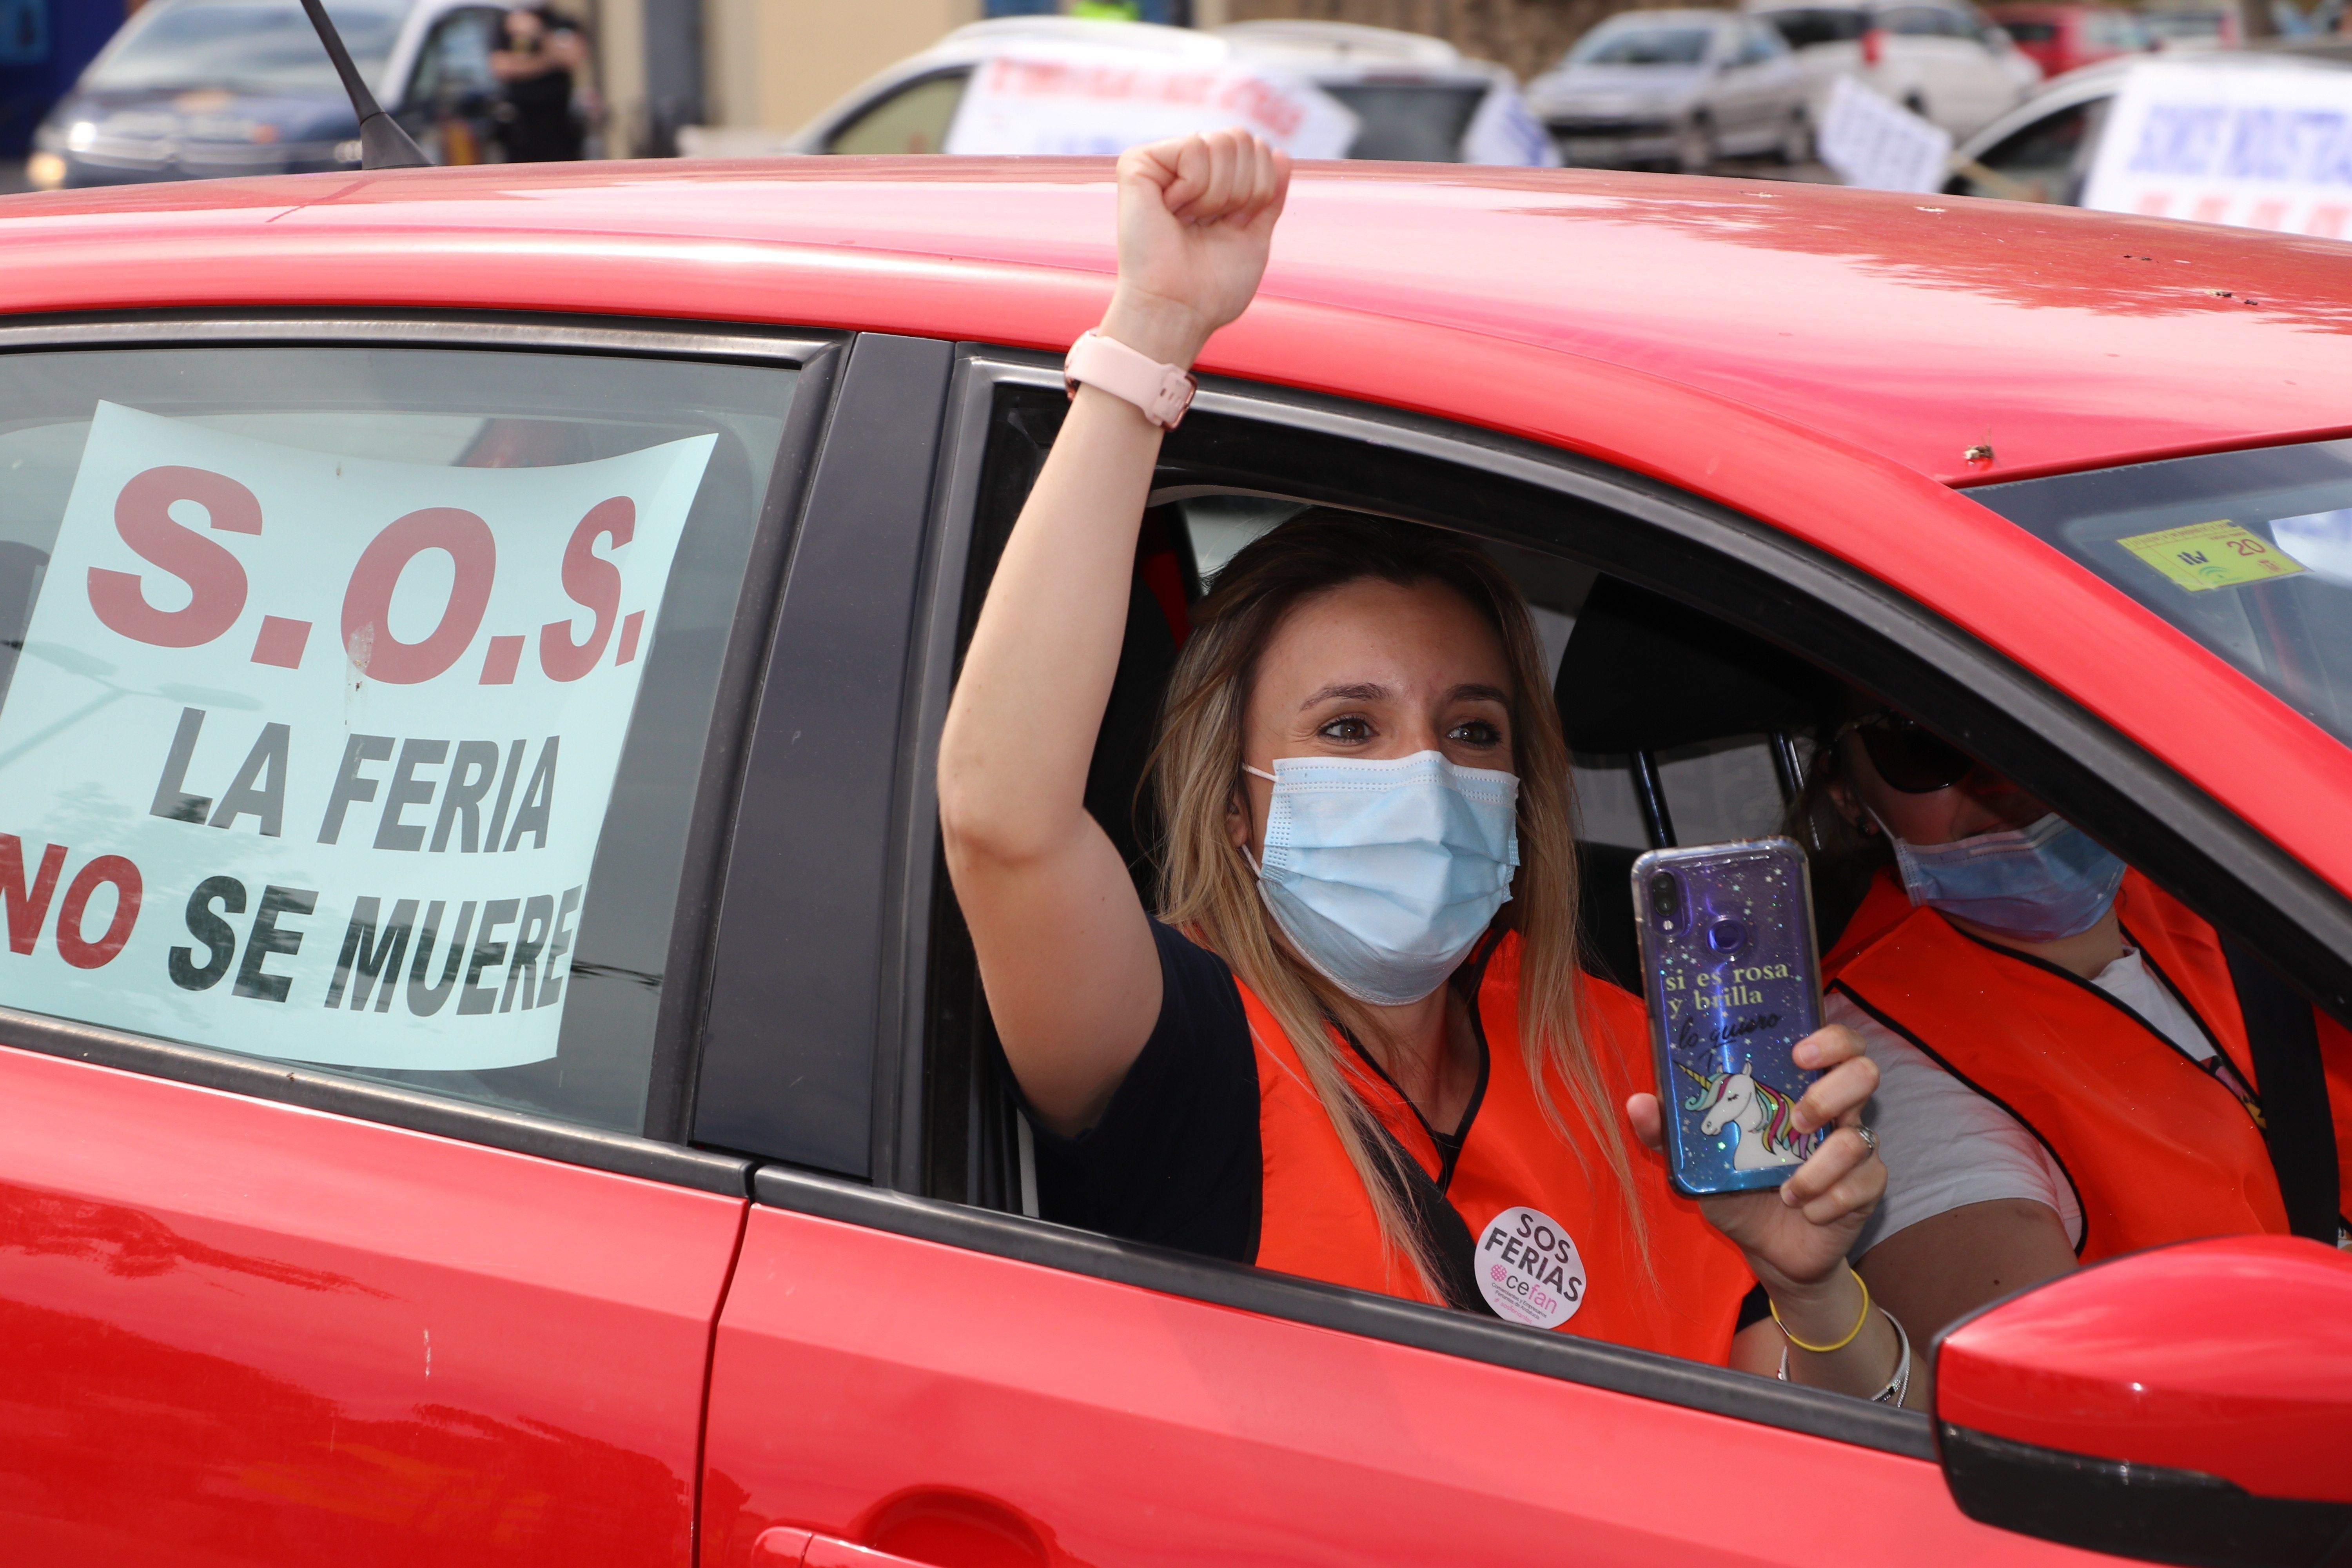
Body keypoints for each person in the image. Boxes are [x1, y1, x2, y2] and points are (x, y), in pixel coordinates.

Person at [938, 129, 1908, 1400]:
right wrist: (1151, 337)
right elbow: (1003, 819)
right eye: (1348, 729)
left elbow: (1829, 1463)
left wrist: (1814, 1287)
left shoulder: (1638, 1059)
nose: (1425, 772)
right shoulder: (1179, 1045)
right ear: (1236, 807)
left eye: (1472, 731)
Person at [1794, 702, 2352, 1375]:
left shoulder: (2232, 890)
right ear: (1849, 797)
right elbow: (2055, 1401)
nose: (2000, 777)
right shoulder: (1872, 1057)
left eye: (2031, 722)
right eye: (1925, 749)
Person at [490, 6, 590, 164]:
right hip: (521, 124)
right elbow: (501, 67)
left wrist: (540, 34)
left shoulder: (561, 23)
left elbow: (573, 57)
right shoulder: (509, 24)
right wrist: (550, 61)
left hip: (559, 122)